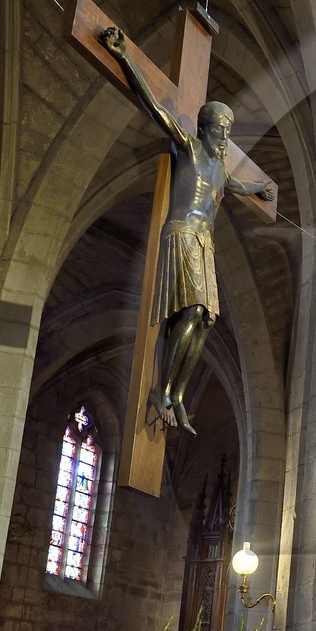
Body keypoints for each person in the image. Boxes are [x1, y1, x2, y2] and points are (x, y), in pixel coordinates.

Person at [98, 26, 275, 434]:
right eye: (220, 131)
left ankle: (177, 394)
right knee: (192, 310)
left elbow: (238, 186)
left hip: (206, 244)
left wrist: (262, 190)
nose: (224, 139)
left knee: (207, 320)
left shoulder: (219, 168)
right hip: (182, 234)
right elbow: (155, 107)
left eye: (228, 133)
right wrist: (125, 57)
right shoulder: (191, 147)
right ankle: (162, 389)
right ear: (205, 128)